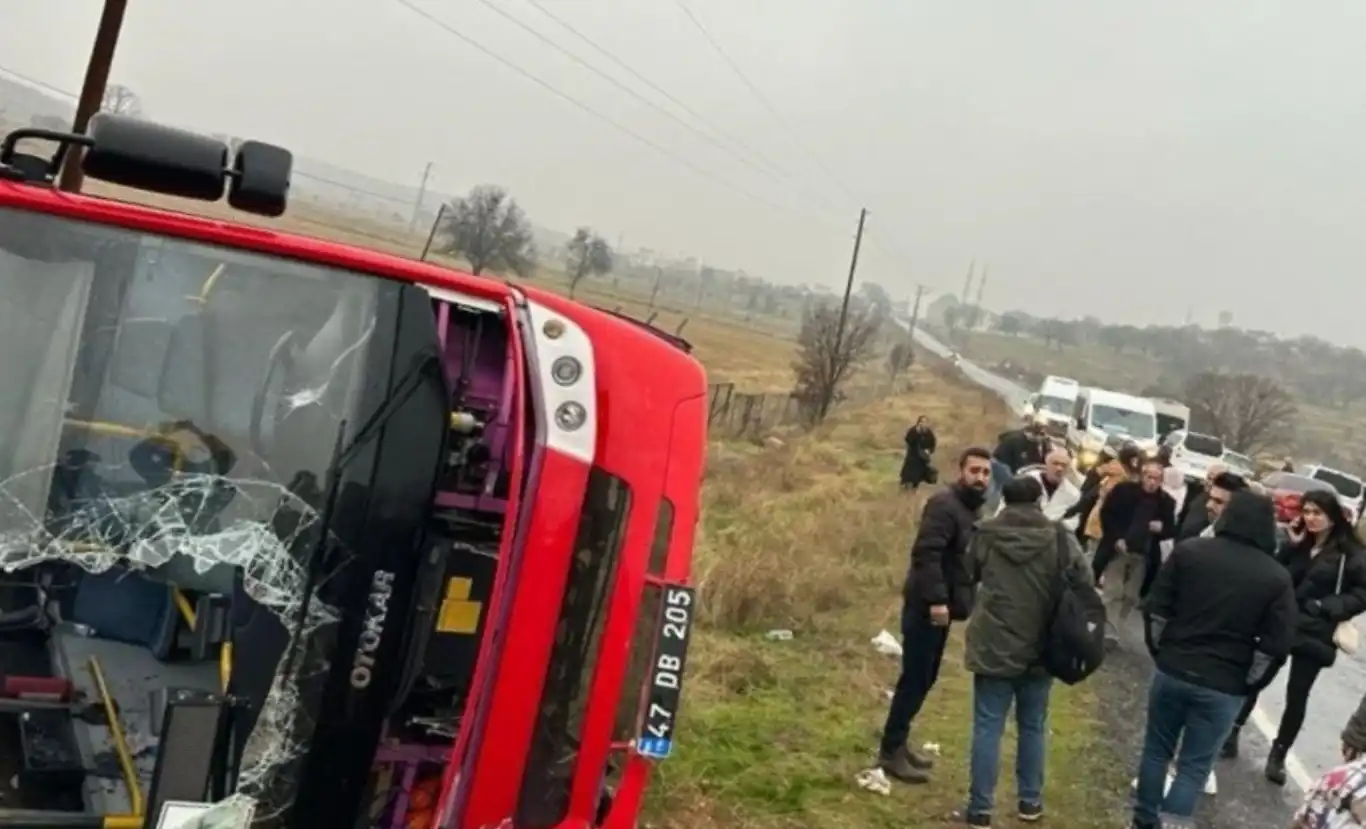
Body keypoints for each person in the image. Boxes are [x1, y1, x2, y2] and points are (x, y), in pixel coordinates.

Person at [1133, 490, 1296, 829]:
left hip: (1175, 666)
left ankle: (1142, 822)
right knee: (1193, 767)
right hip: (1225, 683)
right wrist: (1248, 682)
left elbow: (1157, 610)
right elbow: (1275, 646)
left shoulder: (1190, 552)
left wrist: (1163, 653)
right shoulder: (1276, 578)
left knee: (1156, 752)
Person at [962, 476, 1089, 827]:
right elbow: (1085, 580)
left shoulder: (985, 533)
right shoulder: (1060, 537)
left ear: (1005, 499)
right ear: (1037, 502)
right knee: (1033, 726)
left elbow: (967, 573)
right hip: (1042, 647)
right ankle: (1030, 802)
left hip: (994, 645)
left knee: (988, 725)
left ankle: (979, 808)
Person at [1224, 489, 1366, 781]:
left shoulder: (1350, 554)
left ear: (1333, 516)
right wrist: (1291, 545)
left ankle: (1279, 753)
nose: (1311, 519)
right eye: (1307, 512)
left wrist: (1326, 607)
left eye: (1318, 513)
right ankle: (1232, 732)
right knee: (1256, 678)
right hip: (1282, 622)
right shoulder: (1298, 543)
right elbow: (1275, 572)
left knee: (1297, 695)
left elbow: (1361, 594)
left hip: (1315, 630)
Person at [880, 447, 993, 783]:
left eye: (986, 473)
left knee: (925, 678)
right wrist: (937, 601)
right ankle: (890, 751)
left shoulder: (972, 510)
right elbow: (927, 554)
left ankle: (899, 743)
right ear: (962, 471)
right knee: (915, 679)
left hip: (942, 610)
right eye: (975, 471)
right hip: (927, 608)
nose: (981, 478)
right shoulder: (945, 505)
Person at [1097, 459, 1176, 644]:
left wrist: (1161, 528)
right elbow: (1107, 514)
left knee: (1131, 596)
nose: (1152, 482)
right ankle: (1107, 629)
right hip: (1119, 549)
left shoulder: (1166, 503)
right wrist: (1117, 537)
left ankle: (1116, 625)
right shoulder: (1124, 491)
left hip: (1143, 555)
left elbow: (1172, 529)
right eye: (1149, 477)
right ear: (1142, 476)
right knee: (1113, 590)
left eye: (1157, 479)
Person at [1080, 443, 1143, 569]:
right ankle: (1082, 573)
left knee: (1098, 549)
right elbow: (1097, 472)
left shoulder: (1129, 474)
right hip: (1102, 514)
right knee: (1094, 549)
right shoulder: (1117, 468)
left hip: (1110, 516)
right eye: (1135, 458)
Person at [996, 446, 1072, 521]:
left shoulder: (1073, 495)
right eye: (1055, 463)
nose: (1059, 468)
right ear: (1046, 464)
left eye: (1064, 465)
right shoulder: (1023, 482)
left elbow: (1071, 522)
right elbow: (1003, 508)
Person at [1174, 462, 1227, 541]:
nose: (1210, 483)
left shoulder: (1223, 504)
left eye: (1215, 480)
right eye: (1209, 478)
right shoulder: (1196, 492)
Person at [900, 416, 938, 490]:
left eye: (925, 422)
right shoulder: (913, 431)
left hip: (922, 459)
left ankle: (913, 490)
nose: (923, 424)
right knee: (908, 475)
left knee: (918, 477)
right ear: (918, 423)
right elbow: (908, 440)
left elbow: (932, 443)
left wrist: (929, 450)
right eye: (922, 422)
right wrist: (917, 433)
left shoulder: (928, 432)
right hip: (912, 456)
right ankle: (906, 488)